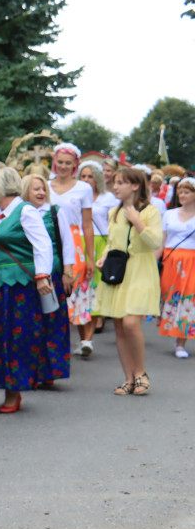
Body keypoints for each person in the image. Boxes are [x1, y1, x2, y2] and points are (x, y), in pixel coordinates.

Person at [0, 168, 55, 413]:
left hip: (17, 288)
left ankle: (13, 392)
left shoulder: (25, 211)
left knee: (15, 338)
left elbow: (43, 244)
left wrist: (41, 276)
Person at [94, 167, 163, 395]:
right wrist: (104, 257)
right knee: (120, 326)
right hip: (119, 271)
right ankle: (128, 378)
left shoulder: (150, 211)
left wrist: (138, 221)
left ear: (135, 186)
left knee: (132, 322)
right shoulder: (114, 211)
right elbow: (114, 242)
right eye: (114, 182)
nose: (115, 186)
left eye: (120, 182)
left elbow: (155, 242)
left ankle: (141, 372)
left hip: (141, 270)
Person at [21, 174, 73, 385]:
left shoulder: (54, 212)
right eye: (36, 189)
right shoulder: (20, 213)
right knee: (31, 324)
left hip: (52, 275)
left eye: (43, 189)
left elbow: (67, 242)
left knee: (52, 322)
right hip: (26, 275)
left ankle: (50, 371)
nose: (41, 193)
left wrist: (68, 272)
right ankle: (31, 369)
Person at [49, 143, 96, 357]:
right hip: (50, 239)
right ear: (54, 162)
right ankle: (54, 341)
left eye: (68, 163)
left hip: (75, 241)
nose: (63, 166)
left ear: (75, 165)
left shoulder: (83, 188)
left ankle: (85, 339)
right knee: (51, 288)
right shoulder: (46, 186)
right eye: (60, 162)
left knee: (75, 290)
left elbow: (88, 224)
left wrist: (90, 257)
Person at [80, 161, 118, 333]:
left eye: (91, 176)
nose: (87, 180)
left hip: (101, 240)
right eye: (83, 176)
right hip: (80, 240)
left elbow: (114, 223)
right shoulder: (77, 195)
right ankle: (83, 311)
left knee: (98, 280)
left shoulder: (108, 198)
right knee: (83, 280)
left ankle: (99, 315)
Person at [158, 177, 195, 358]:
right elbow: (162, 241)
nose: (182, 195)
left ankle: (181, 342)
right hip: (170, 260)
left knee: (187, 299)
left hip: (191, 261)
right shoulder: (169, 214)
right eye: (180, 191)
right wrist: (154, 260)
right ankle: (174, 333)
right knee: (170, 297)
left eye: (187, 192)